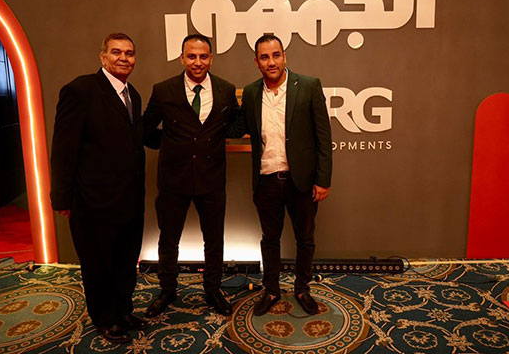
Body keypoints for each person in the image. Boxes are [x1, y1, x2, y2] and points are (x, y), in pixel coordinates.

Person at [50, 33, 146, 343]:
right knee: (98, 265)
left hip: (129, 200)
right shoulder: (80, 90)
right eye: (116, 52)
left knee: (125, 261)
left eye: (129, 53)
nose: (123, 58)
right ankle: (105, 318)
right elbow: (63, 149)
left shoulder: (133, 95)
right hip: (93, 201)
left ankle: (123, 310)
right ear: (102, 57)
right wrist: (61, 198)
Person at [227, 34, 332, 316]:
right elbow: (237, 128)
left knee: (305, 239)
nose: (271, 62)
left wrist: (323, 180)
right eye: (264, 57)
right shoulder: (251, 93)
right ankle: (271, 290)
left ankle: (302, 288)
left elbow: (323, 137)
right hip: (266, 180)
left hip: (302, 181)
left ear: (284, 56)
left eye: (276, 55)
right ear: (257, 62)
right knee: (269, 239)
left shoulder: (308, 86)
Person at [143, 34, 239, 317]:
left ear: (211, 58)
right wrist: (171, 145)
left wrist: (216, 138)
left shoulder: (225, 89)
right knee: (168, 239)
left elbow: (236, 123)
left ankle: (213, 290)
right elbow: (145, 130)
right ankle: (167, 289)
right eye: (192, 56)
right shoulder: (163, 90)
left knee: (215, 240)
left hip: (212, 179)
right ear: (182, 58)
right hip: (174, 180)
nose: (198, 62)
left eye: (203, 56)